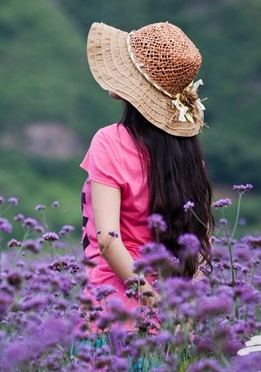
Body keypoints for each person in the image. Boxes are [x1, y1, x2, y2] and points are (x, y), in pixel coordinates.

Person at [80, 21, 214, 331]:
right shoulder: (189, 153)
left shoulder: (109, 140)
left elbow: (108, 240)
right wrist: (179, 310)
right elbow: (200, 240)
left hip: (112, 313)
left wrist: (152, 302)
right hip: (175, 322)